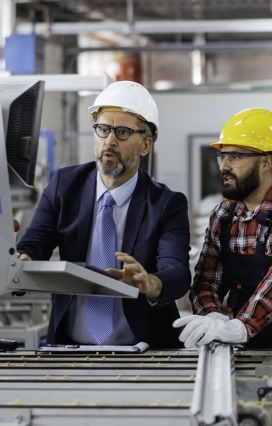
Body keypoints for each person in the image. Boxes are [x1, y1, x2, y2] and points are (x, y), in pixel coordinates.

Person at [17, 80, 192, 348]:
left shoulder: (166, 204)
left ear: (145, 145)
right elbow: (35, 244)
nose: (109, 141)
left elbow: (177, 271)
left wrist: (150, 282)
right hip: (70, 348)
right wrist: (20, 259)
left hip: (143, 351)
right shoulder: (65, 185)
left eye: (122, 132)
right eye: (102, 129)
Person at [173, 107, 272, 350]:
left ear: (267, 162)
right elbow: (205, 281)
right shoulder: (223, 215)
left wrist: (240, 327)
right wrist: (214, 317)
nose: (224, 167)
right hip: (245, 346)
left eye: (236, 157)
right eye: (223, 156)